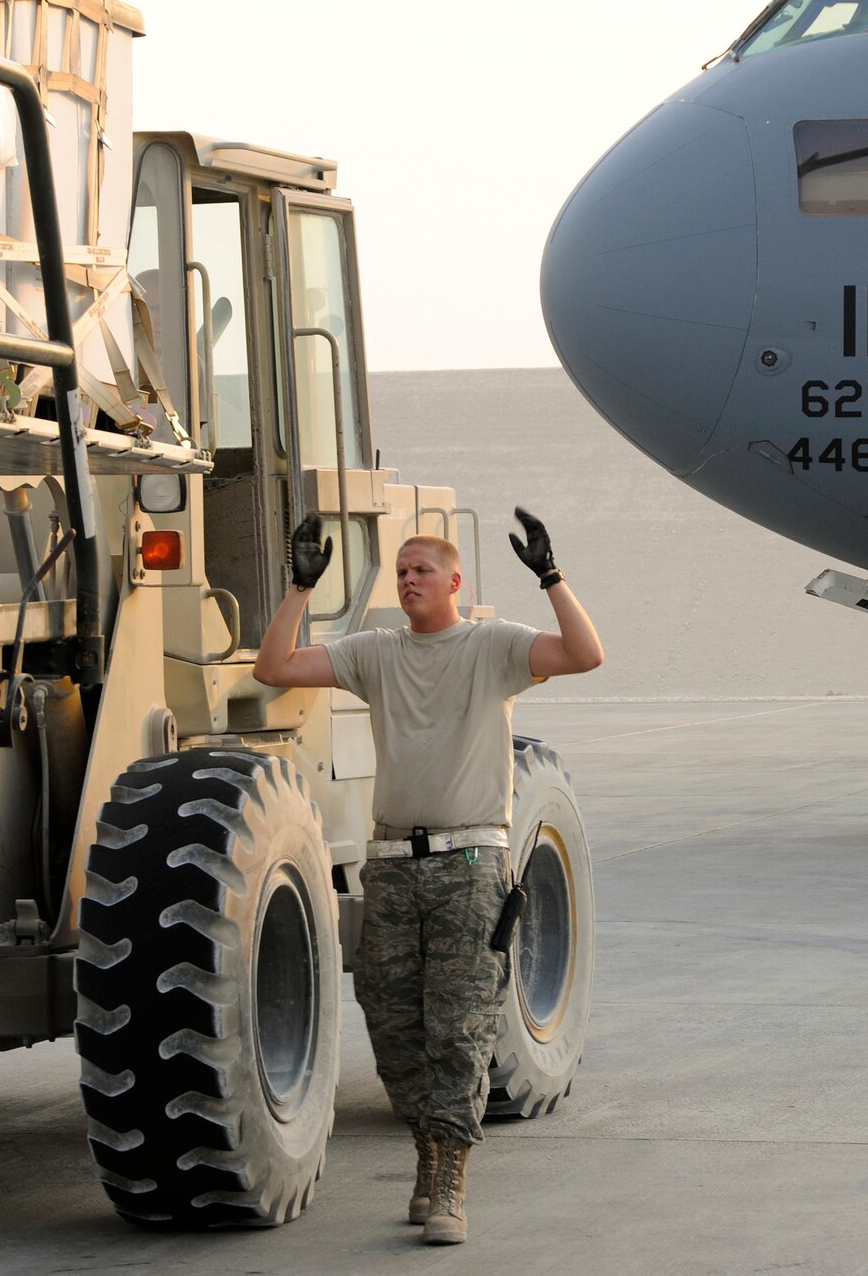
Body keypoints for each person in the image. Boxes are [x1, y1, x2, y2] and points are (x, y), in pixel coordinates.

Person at [253, 507, 604, 1244]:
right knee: (394, 1028)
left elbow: (584, 653)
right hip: (390, 868)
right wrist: (298, 586)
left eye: (422, 570)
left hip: (470, 864)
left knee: (460, 1027)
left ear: (454, 580)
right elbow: (275, 668)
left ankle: (449, 1179)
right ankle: (427, 1151)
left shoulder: (494, 645)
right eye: (402, 570)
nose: (409, 579)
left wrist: (550, 575)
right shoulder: (376, 652)